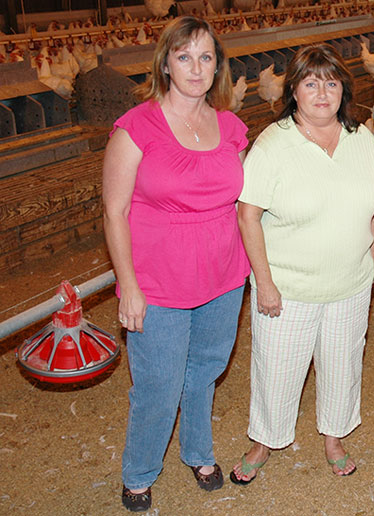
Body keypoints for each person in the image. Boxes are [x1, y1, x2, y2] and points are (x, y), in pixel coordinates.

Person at [102, 16, 250, 512]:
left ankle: (197, 450)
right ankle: (140, 470)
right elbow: (115, 211)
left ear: (217, 68)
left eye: (206, 57)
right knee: (158, 383)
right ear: (165, 62)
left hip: (224, 275)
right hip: (159, 281)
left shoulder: (230, 127)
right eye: (184, 56)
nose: (196, 67)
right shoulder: (136, 127)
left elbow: (245, 202)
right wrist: (130, 286)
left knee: (206, 369)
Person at [231, 43, 374, 482]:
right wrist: (265, 281)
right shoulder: (274, 145)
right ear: (293, 90)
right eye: (310, 82)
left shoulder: (362, 139)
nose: (322, 92)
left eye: (331, 82)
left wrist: (373, 256)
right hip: (289, 287)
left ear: (343, 90)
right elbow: (248, 214)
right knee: (278, 368)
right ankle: (264, 441)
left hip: (350, 282)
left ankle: (334, 438)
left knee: (343, 363)